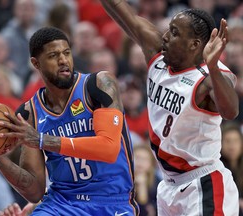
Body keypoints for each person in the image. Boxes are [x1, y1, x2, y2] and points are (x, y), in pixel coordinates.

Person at [99, 1, 239, 215]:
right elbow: (121, 12)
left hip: (203, 183)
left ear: (194, 44)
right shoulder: (158, 53)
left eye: (174, 33)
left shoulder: (210, 78)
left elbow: (230, 112)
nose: (165, 36)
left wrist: (212, 66)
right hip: (167, 185)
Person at [0, 26, 139, 215]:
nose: (63, 61)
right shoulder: (30, 113)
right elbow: (34, 191)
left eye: (67, 53)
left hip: (111, 201)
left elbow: (109, 149)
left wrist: (43, 140)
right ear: (36, 64)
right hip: (62, 203)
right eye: (53, 56)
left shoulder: (98, 85)